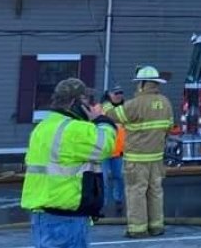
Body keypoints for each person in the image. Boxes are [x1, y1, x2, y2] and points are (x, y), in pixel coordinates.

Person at [21, 78, 117, 248]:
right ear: (75, 102)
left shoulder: (43, 126)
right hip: (67, 216)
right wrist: (102, 120)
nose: (91, 105)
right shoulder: (73, 129)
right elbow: (106, 145)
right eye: (87, 101)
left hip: (44, 213)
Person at [103, 65, 174, 238]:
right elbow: (169, 128)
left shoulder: (135, 104)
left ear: (142, 83)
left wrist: (107, 101)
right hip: (157, 158)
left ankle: (137, 229)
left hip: (136, 159)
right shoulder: (166, 103)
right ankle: (156, 226)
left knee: (136, 193)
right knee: (155, 192)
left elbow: (112, 115)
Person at [101, 85, 126, 217]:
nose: (119, 95)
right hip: (103, 152)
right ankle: (101, 205)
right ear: (109, 94)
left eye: (121, 92)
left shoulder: (125, 109)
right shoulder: (100, 109)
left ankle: (119, 201)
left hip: (118, 152)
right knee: (102, 179)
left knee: (119, 178)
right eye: (116, 93)